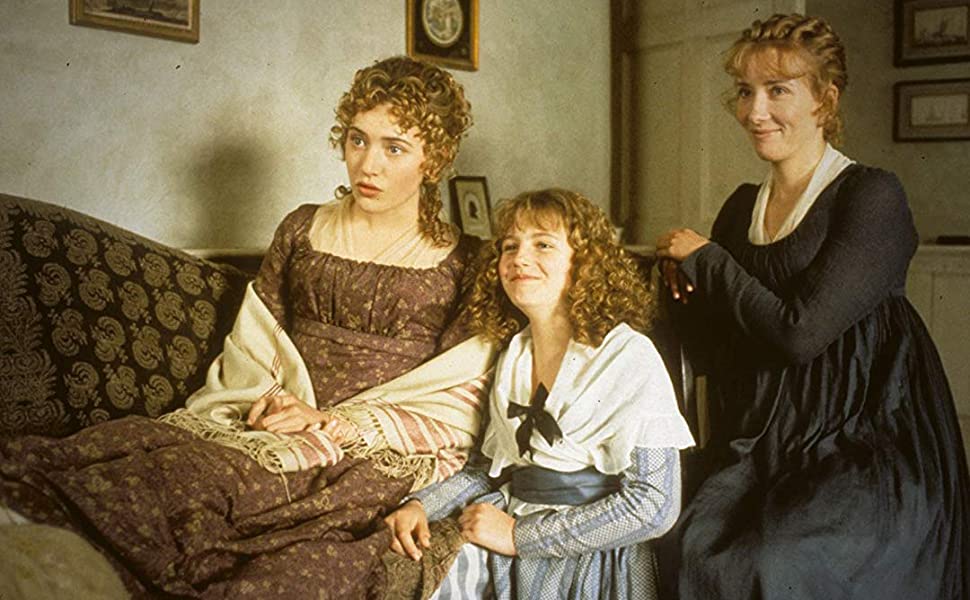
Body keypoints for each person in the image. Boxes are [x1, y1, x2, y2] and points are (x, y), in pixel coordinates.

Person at [0, 56, 493, 599]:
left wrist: (332, 425)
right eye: (358, 140)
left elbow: (456, 392)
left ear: (433, 159)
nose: (367, 165)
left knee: (294, 558)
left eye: (393, 148)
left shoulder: (463, 262)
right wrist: (275, 405)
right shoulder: (303, 228)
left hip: (370, 453)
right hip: (272, 416)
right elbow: (257, 337)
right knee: (149, 475)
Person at [654, 14, 970, 599]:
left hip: (865, 439)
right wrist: (683, 290)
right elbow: (721, 351)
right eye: (745, 91)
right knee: (682, 536)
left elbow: (798, 334)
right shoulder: (741, 208)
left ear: (826, 98)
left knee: (778, 557)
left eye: (778, 91)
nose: (755, 111)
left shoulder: (871, 195)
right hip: (764, 437)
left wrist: (709, 262)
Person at [385, 188, 696, 599]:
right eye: (510, 246)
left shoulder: (627, 355)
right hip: (510, 539)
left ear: (584, 262)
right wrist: (421, 505)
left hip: (593, 562)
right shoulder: (515, 354)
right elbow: (487, 470)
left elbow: (653, 505)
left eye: (543, 245)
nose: (520, 259)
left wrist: (521, 536)